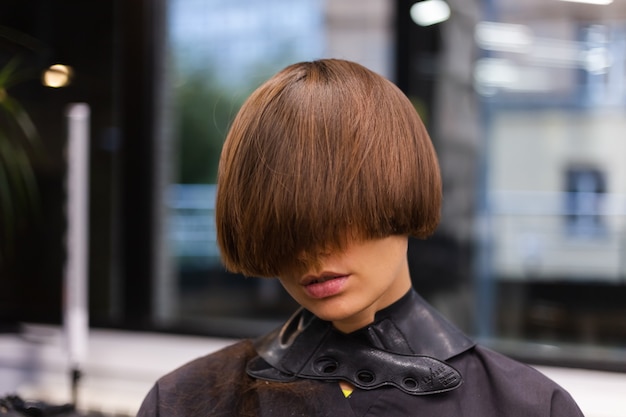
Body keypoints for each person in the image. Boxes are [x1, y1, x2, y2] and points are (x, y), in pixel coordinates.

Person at [136, 59, 584, 416]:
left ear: (398, 188)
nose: (311, 252)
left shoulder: (527, 406)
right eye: (286, 229)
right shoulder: (186, 400)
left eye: (336, 215)